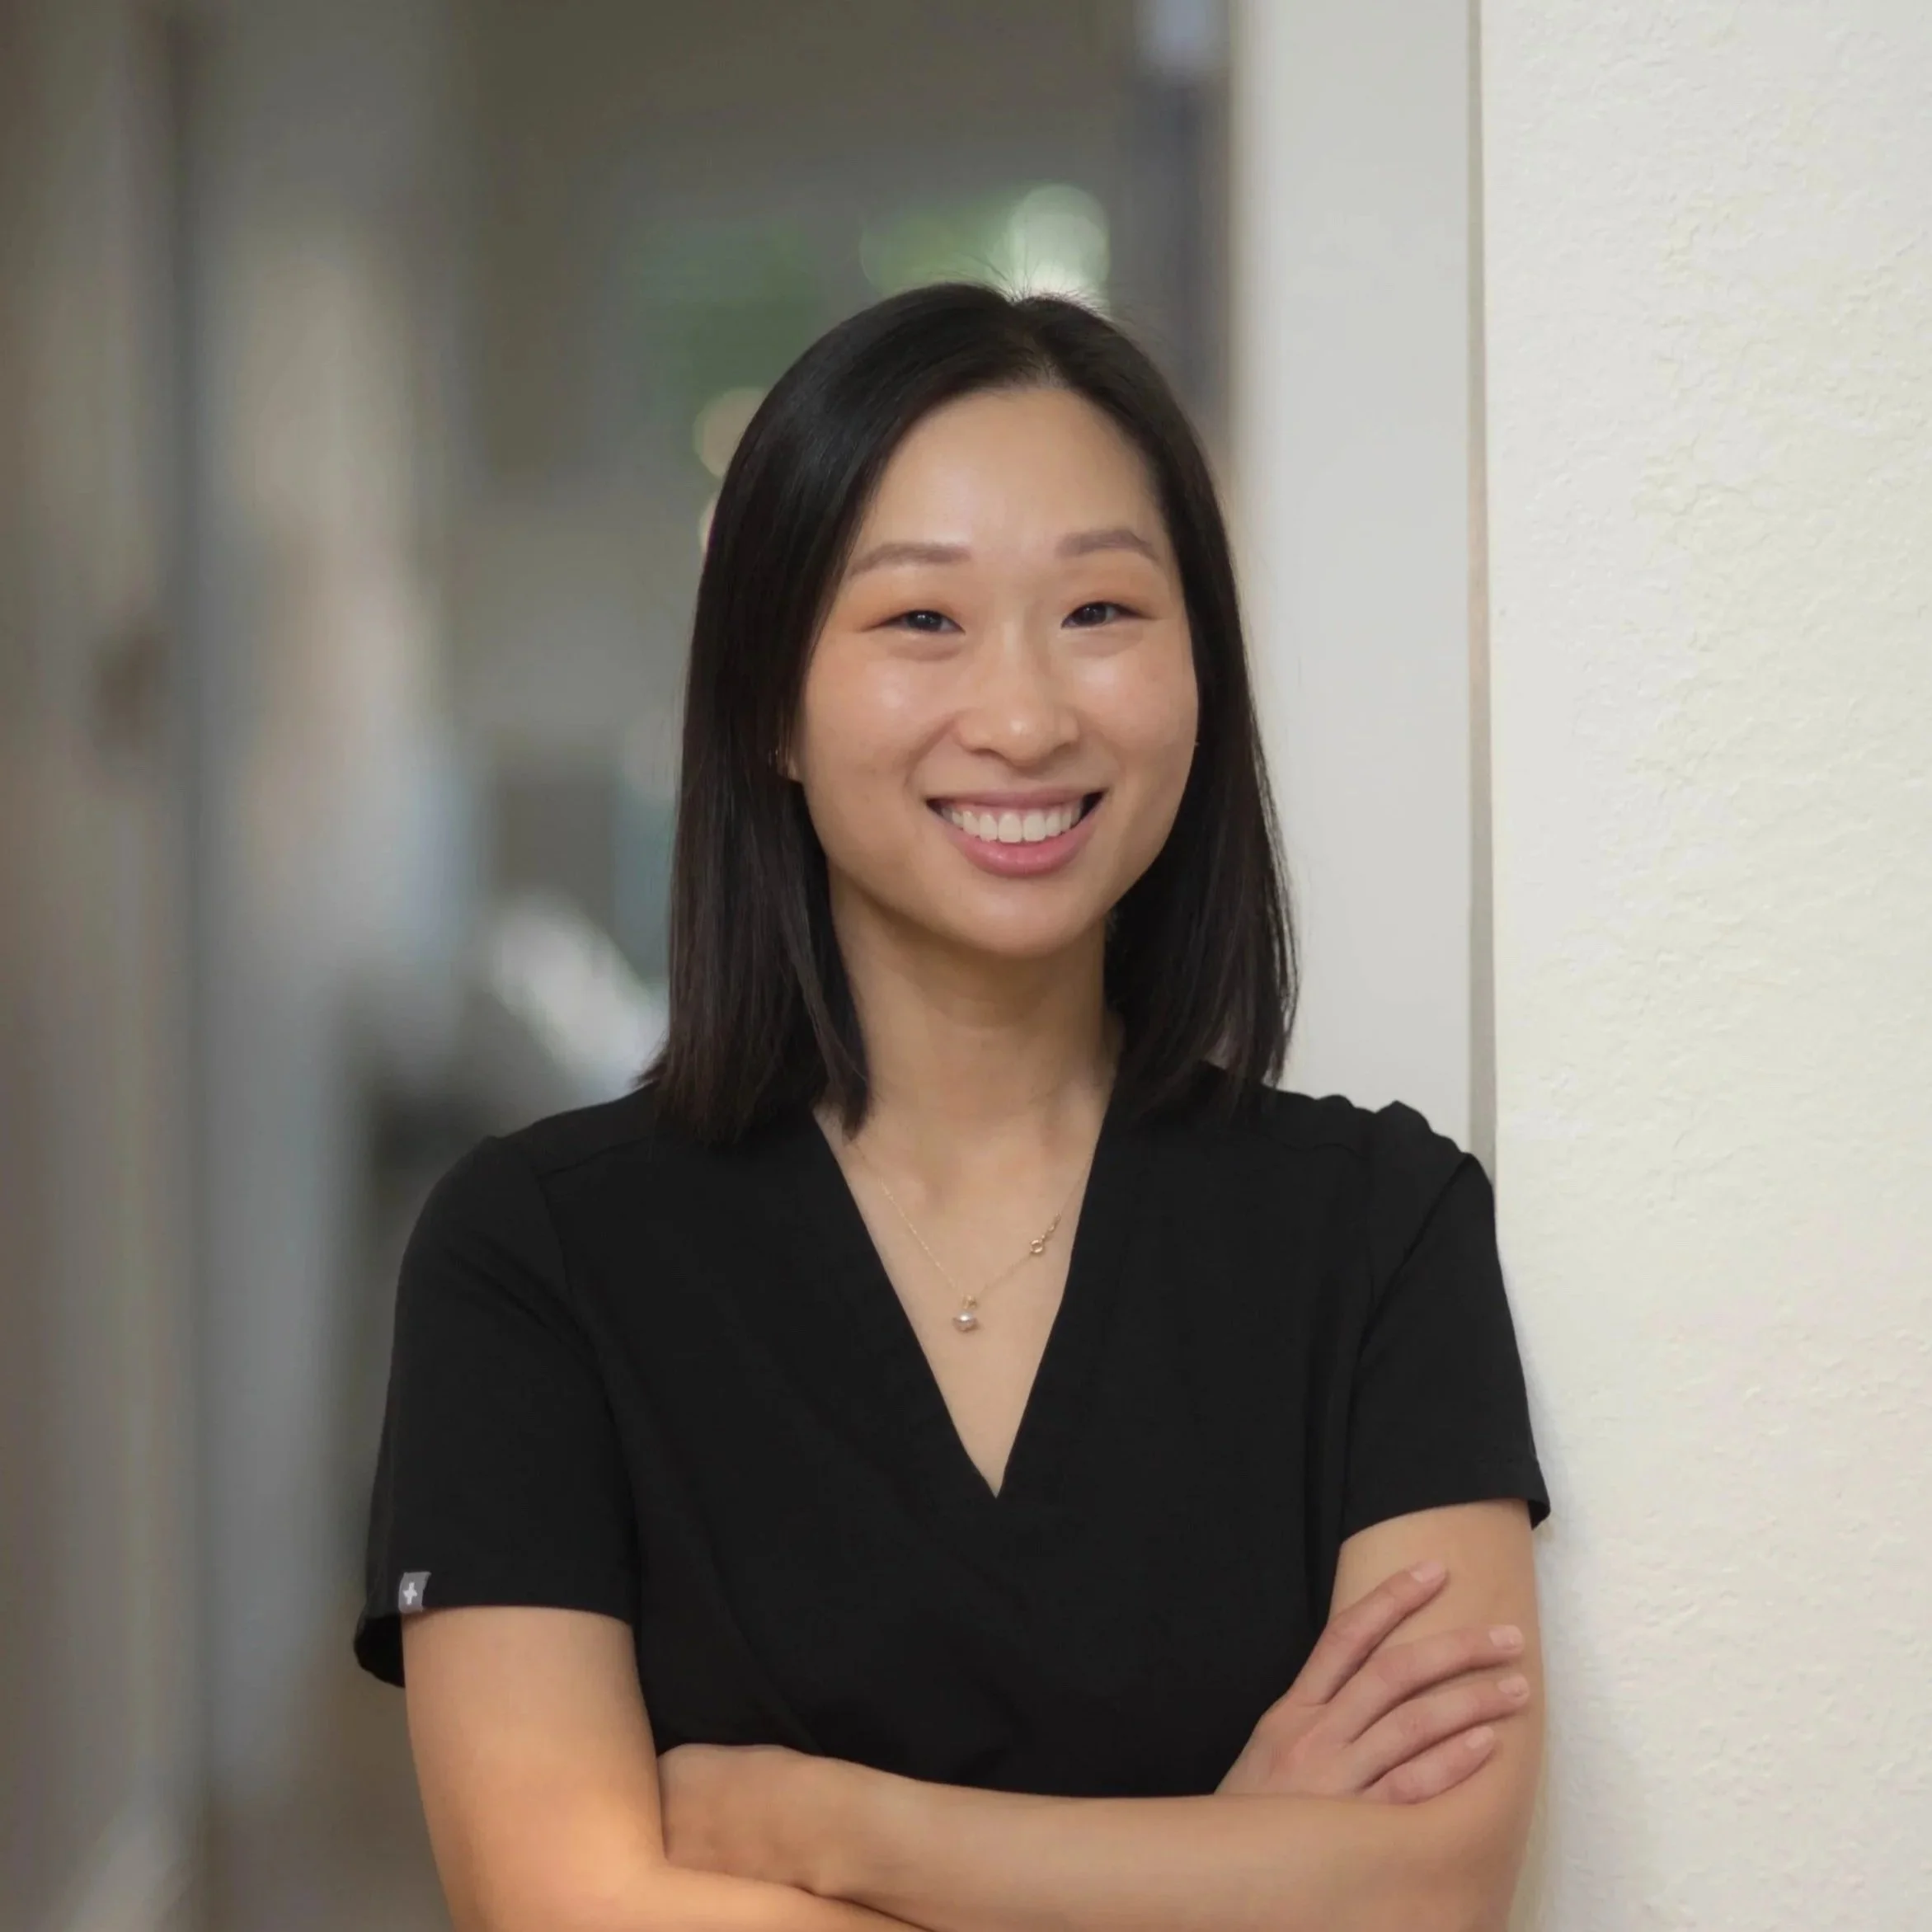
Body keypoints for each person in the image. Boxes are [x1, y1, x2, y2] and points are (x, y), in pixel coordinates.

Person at [354, 282, 1551, 1932]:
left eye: (1101, 613)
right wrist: (1228, 1867)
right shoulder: (534, 1256)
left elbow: (1426, 1894)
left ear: (1199, 668)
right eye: (920, 621)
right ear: (768, 699)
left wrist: (839, 1830)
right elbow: (568, 1907)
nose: (1023, 716)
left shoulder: (1384, 1229)